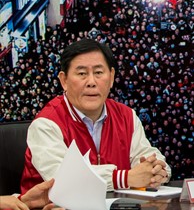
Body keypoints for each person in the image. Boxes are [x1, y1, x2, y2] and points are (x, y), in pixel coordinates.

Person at [21, 39, 170, 193]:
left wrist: (156, 171)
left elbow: (147, 158)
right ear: (64, 80)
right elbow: (64, 179)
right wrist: (124, 178)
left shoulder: (126, 116)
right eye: (82, 74)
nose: (91, 82)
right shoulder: (46, 123)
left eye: (98, 73)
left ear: (111, 77)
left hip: (119, 204)